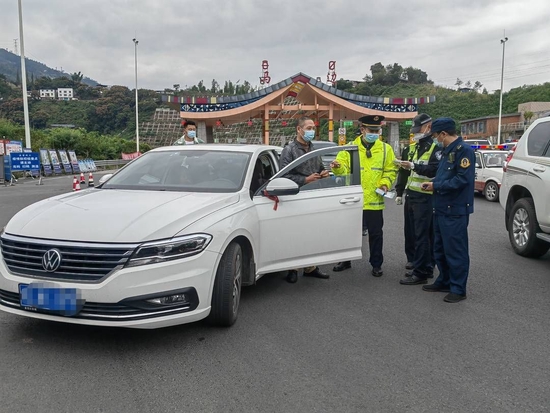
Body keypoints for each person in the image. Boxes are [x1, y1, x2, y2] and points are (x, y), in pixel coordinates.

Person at [416, 117, 475, 303]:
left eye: (435, 135)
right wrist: (434, 183)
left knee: (455, 250)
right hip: (440, 207)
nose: (435, 139)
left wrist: (436, 186)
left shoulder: (464, 151)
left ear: (443, 134)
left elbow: (461, 180)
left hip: (455, 209)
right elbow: (444, 176)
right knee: (439, 248)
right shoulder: (445, 150)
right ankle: (444, 280)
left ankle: (458, 288)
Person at [331, 115, 397, 277]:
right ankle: (345, 260)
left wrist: (385, 183)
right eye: (371, 130)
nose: (375, 133)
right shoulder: (350, 147)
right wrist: (337, 167)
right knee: (348, 232)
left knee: (376, 234)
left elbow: (391, 170)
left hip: (374, 201)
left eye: (377, 130)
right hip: (354, 199)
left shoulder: (385, 149)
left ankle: (376, 264)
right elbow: (343, 170)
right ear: (362, 130)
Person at [279, 116, 330, 283]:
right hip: (296, 195)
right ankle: (292, 268)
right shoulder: (289, 150)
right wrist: (304, 180)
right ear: (299, 130)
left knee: (313, 232)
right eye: (308, 128)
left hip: (314, 194)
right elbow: (284, 175)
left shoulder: (313, 148)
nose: (311, 131)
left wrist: (324, 173)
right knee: (295, 233)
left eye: (313, 128)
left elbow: (320, 167)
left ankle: (311, 267)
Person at [394, 113, 442, 285]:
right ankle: (420, 265)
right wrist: (399, 192)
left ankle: (422, 271)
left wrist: (415, 166)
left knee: (424, 235)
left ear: (428, 127)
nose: (415, 134)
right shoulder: (413, 148)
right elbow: (404, 172)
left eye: (418, 130)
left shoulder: (436, 149)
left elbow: (434, 171)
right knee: (412, 233)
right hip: (412, 195)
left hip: (426, 197)